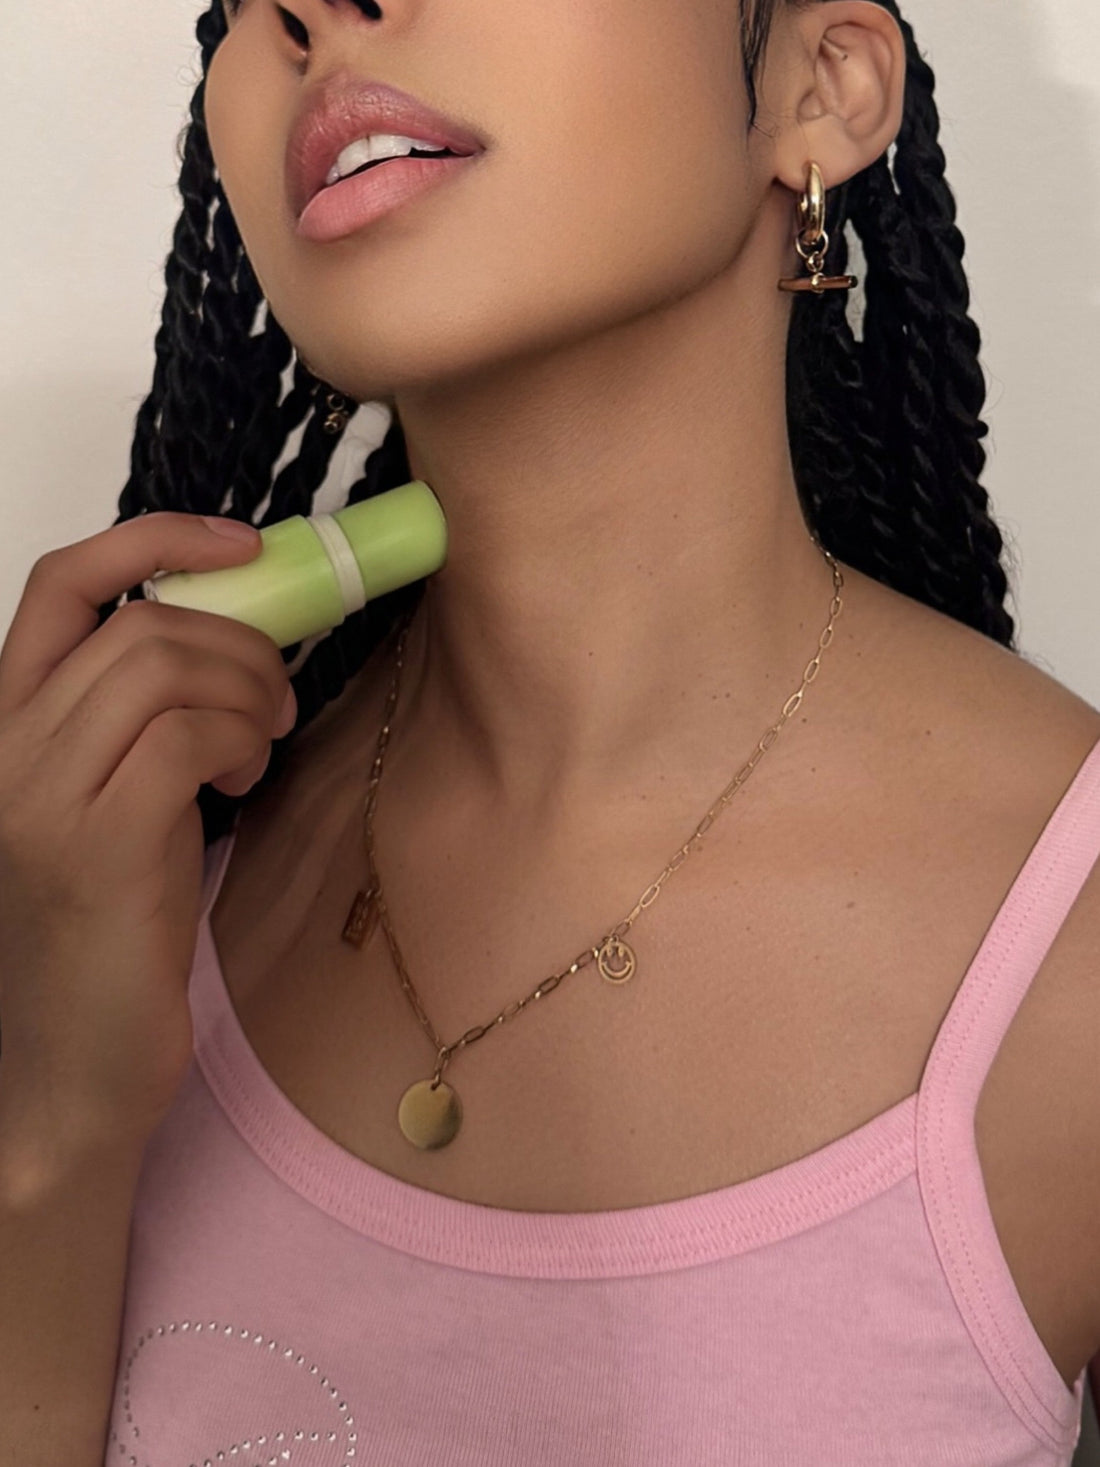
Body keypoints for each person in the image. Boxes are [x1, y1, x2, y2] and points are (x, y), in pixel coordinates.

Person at [1, 0, 1098, 1461]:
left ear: (825, 87)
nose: (312, 7)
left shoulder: (1069, 949)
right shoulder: (134, 873)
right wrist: (48, 1130)